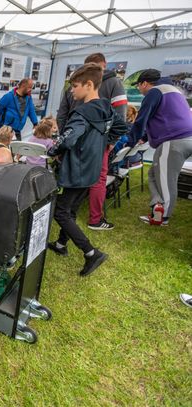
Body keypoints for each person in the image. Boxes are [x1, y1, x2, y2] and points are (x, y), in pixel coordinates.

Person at [47, 63, 127, 277]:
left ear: (89, 85)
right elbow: (121, 127)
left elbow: (68, 139)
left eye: (75, 86)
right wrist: (102, 144)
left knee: (60, 212)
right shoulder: (106, 107)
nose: (71, 91)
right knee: (71, 209)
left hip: (78, 169)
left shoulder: (81, 113)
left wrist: (53, 149)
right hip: (92, 169)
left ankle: (91, 253)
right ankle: (61, 244)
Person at [57, 53, 128, 231]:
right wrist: (107, 140)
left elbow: (62, 116)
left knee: (81, 180)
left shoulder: (108, 83)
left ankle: (85, 220)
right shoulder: (112, 84)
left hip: (79, 142)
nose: (73, 90)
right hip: (92, 144)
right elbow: (120, 118)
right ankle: (90, 220)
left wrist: (61, 141)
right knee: (94, 179)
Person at [129, 69, 192, 226]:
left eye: (138, 85)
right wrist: (144, 138)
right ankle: (158, 205)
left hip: (174, 140)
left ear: (144, 83)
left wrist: (130, 142)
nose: (138, 89)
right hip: (186, 137)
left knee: (166, 180)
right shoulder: (173, 90)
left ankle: (162, 218)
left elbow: (141, 120)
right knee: (153, 174)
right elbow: (164, 116)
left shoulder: (154, 92)